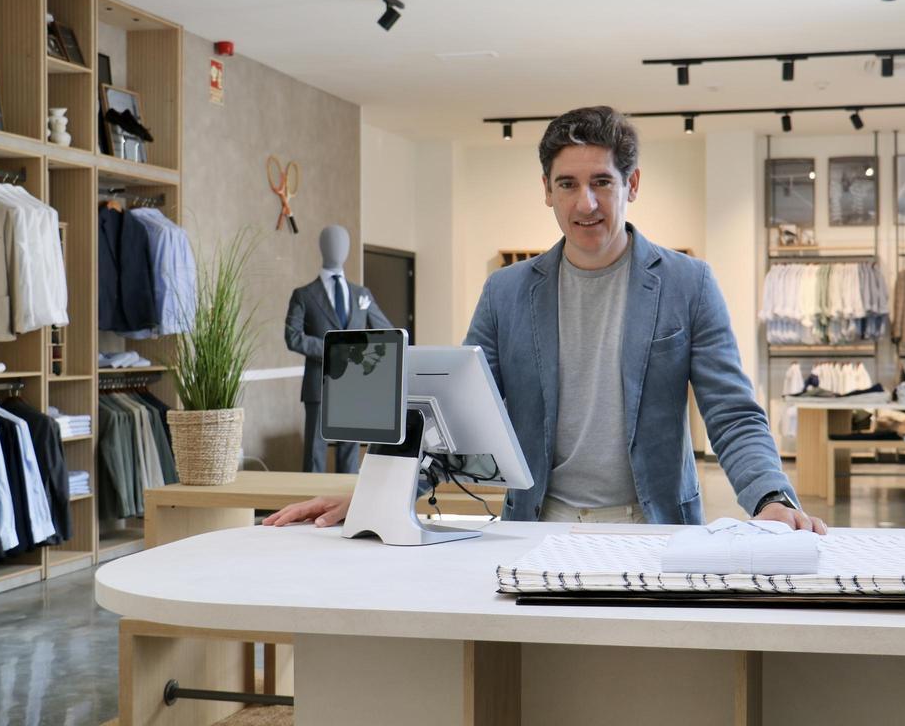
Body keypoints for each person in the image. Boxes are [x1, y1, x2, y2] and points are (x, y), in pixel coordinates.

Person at [267, 106, 825, 533]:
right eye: (568, 184)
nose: (585, 203)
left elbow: (732, 412)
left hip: (653, 529)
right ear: (547, 192)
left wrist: (771, 498)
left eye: (602, 182)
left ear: (631, 185)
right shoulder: (506, 293)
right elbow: (446, 416)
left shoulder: (689, 284)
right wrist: (376, 495)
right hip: (537, 527)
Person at [284, 225, 392, 473]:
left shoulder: (361, 294)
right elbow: (292, 337)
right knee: (314, 455)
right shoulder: (304, 295)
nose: (338, 249)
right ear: (322, 248)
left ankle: (349, 510)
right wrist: (334, 350)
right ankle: (310, 510)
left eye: (342, 243)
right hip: (318, 385)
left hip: (354, 384)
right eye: (332, 243)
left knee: (350, 455)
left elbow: (384, 333)